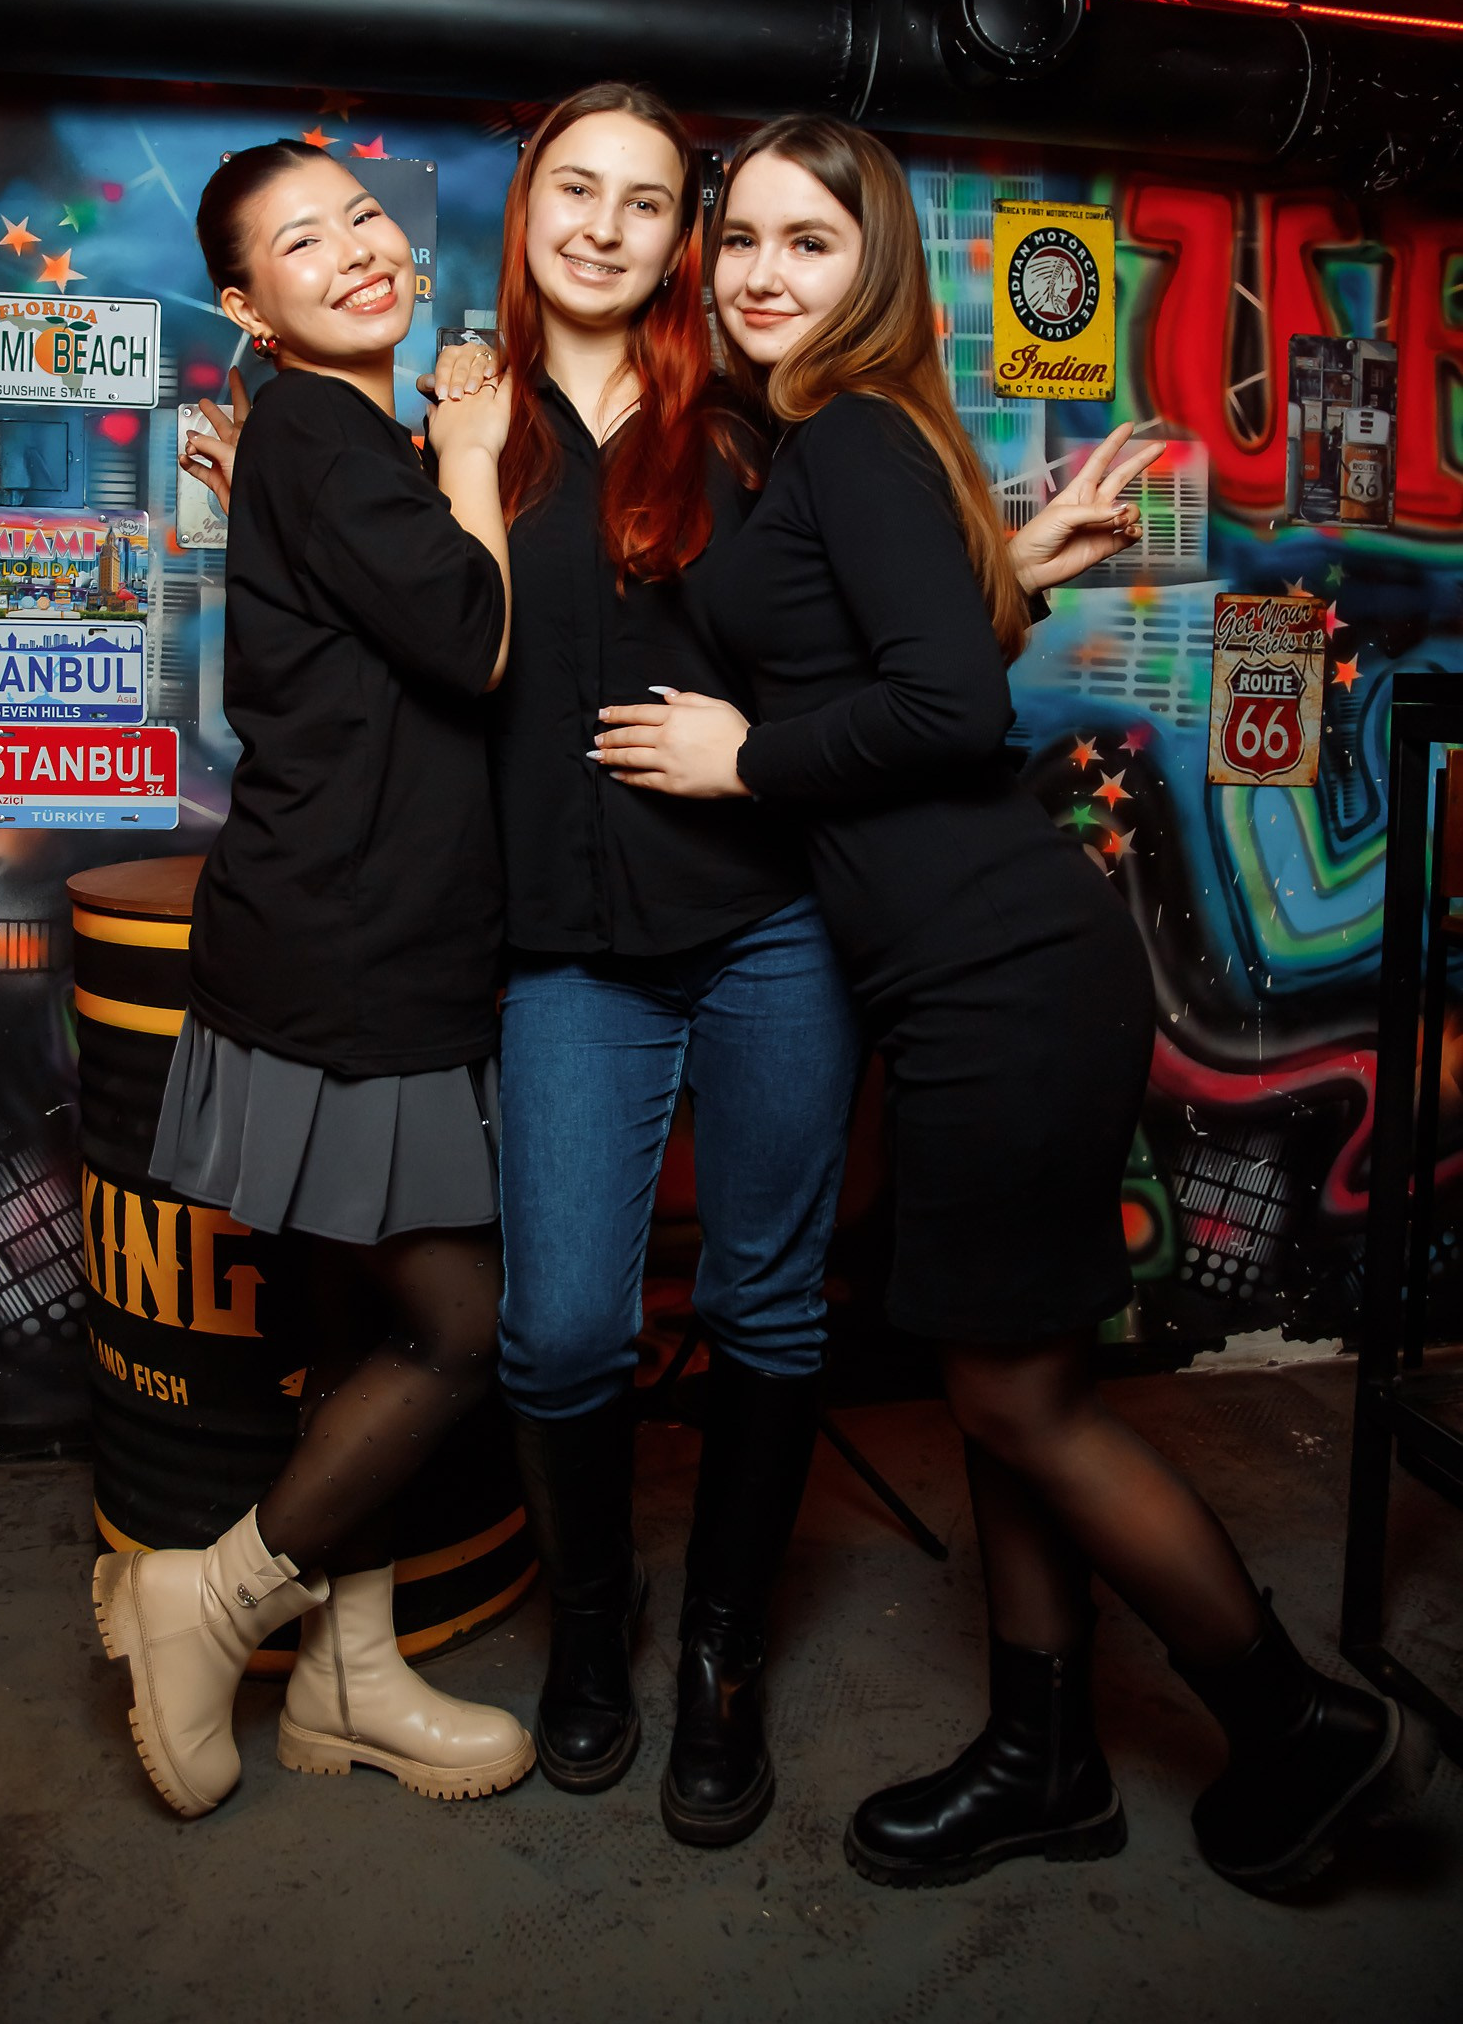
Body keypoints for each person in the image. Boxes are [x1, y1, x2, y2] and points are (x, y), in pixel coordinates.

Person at [192, 90, 1154, 1849]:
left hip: (775, 927)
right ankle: (595, 1626)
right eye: (576, 188)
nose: (606, 226)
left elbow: (873, 659)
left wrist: (1005, 574)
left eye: (647, 202)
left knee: (768, 1307)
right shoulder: (451, 423)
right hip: (564, 950)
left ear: (678, 240)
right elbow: (358, 634)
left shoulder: (757, 418)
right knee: (561, 1331)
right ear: (528, 210)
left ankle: (720, 1649)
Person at [592, 114, 1436, 1896]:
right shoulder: (833, 435)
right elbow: (910, 661)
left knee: (1023, 1400)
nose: (761, 273)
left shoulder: (851, 433)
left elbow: (947, 721)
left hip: (1001, 980)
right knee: (1010, 1380)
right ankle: (1043, 1755)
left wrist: (747, 760)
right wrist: (1022, 568)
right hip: (968, 975)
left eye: (810, 242)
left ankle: (1295, 1725)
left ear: (876, 267)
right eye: (741, 239)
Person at [92, 140, 535, 1822]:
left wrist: (432, 448)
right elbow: (477, 640)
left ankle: (350, 1681)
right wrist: (474, 452)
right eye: (300, 242)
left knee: (356, 1319)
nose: (353, 248)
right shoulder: (328, 434)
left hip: (354, 930)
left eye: (362, 217)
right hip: (352, 949)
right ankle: (209, 1601)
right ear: (247, 304)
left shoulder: (331, 436)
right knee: (461, 1330)